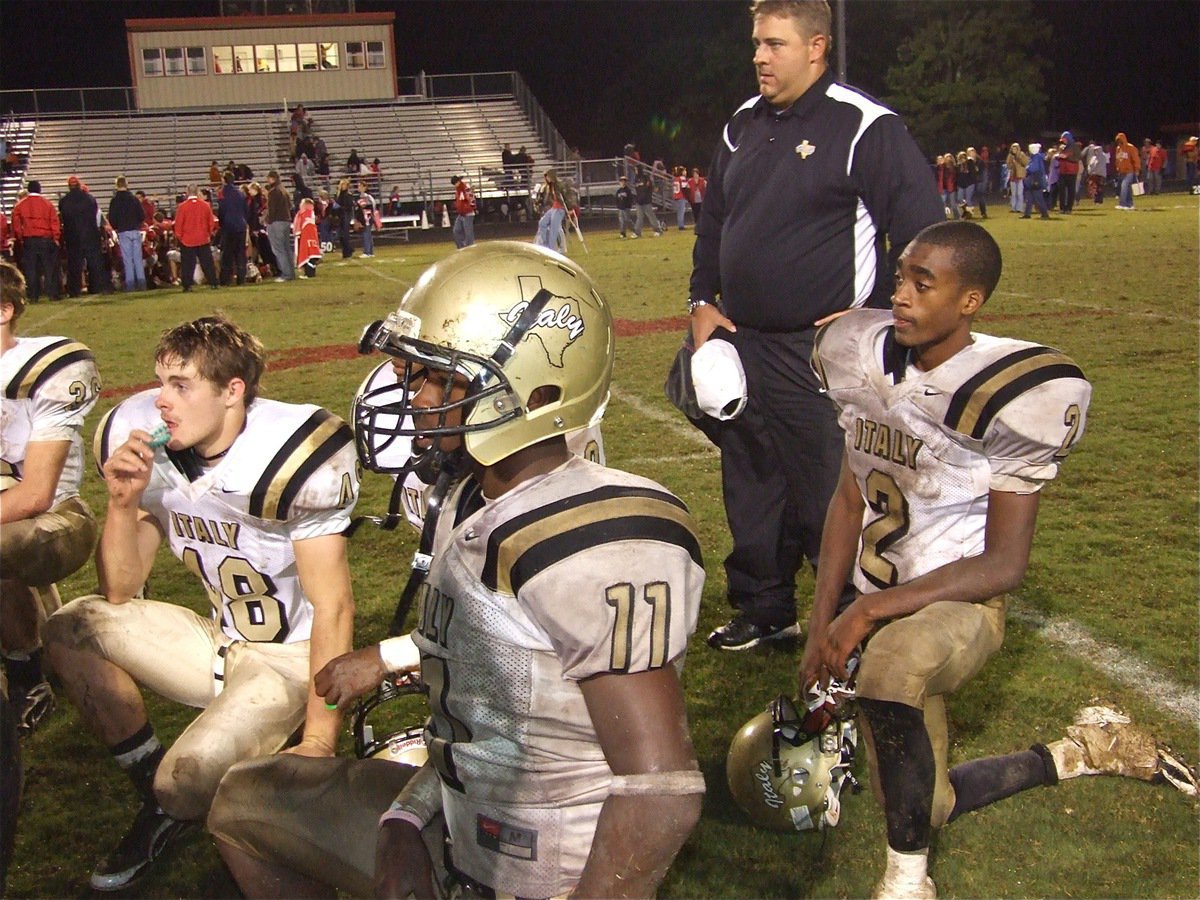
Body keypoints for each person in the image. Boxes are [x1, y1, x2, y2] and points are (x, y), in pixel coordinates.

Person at [208, 242, 705, 900]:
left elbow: (659, 791)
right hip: (458, 818)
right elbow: (467, 706)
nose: (410, 391)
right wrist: (406, 818)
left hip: (546, 871)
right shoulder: (471, 496)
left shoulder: (599, 538)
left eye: (436, 374)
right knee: (245, 801)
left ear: (529, 387)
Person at [800, 220, 1195, 899]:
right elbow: (847, 500)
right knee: (928, 804)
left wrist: (866, 611)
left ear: (970, 302)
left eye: (925, 286)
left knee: (890, 671)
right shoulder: (856, 357)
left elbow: (1005, 564)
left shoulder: (1010, 394)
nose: (902, 296)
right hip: (876, 601)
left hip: (957, 604)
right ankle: (1079, 752)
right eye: (901, 279)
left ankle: (906, 883)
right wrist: (820, 623)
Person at [43, 315, 359, 892]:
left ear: (233, 390)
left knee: (184, 782)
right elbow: (119, 590)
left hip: (290, 656)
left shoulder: (292, 455)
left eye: (181, 385)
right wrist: (120, 505)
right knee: (70, 625)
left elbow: (334, 608)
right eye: (160, 381)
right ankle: (156, 800)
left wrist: (319, 739)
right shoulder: (150, 444)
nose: (160, 401)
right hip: (219, 640)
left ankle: (183, 795)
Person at [688, 0, 943, 650]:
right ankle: (765, 607)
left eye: (774, 43)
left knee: (826, 487)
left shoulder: (864, 126)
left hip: (818, 352)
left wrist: (883, 312)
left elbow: (923, 230)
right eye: (756, 43)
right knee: (751, 482)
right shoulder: (741, 124)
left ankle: (853, 621)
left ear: (816, 48)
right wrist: (701, 299)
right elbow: (714, 220)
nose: (759, 57)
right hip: (741, 341)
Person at [0, 260, 100, 736]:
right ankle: (51, 652)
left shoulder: (44, 368)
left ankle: (26, 675)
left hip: (56, 513)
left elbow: (35, 493)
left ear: (4, 311)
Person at [57, 175, 109, 297]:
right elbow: (95, 214)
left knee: (74, 265)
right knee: (94, 263)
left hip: (73, 236)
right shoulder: (89, 199)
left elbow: (63, 218)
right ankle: (97, 287)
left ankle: (74, 290)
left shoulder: (64, 201)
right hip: (90, 234)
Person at [10, 181, 61, 302]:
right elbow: (54, 221)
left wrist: (20, 236)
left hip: (29, 239)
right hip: (46, 239)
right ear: (40, 189)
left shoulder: (21, 205)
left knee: (31, 268)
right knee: (49, 268)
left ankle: (33, 295)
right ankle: (53, 294)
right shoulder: (47, 204)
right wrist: (56, 237)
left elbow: (16, 222)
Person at [173, 185, 218, 292]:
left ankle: (187, 286)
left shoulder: (182, 207)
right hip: (203, 238)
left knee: (188, 264)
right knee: (207, 262)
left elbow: (178, 224)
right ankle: (213, 282)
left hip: (187, 240)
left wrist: (180, 237)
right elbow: (211, 223)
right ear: (197, 191)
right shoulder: (206, 205)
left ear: (187, 192)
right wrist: (208, 234)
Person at [108, 176, 146, 291]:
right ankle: (142, 284)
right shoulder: (134, 199)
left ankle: (130, 285)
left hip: (123, 231)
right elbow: (141, 215)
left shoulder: (114, 200)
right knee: (138, 259)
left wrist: (117, 226)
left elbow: (112, 218)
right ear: (127, 184)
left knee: (128, 260)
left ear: (116, 185)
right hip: (135, 230)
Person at [217, 172, 248, 286]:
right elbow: (245, 210)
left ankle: (225, 279)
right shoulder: (240, 193)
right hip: (241, 225)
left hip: (228, 226)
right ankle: (241, 278)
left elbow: (222, 210)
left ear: (224, 180)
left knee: (227, 255)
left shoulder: (223, 193)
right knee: (240, 254)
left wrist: (222, 224)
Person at [265, 170, 295, 280]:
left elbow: (272, 209)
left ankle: (286, 274)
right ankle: (291, 273)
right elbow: (290, 206)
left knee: (278, 249)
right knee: (286, 248)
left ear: (272, 178)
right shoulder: (284, 191)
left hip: (276, 222)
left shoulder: (273, 192)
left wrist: (268, 220)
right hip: (286, 221)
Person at [534, 168, 567, 250]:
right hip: (553, 208)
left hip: (559, 209)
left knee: (555, 230)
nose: (546, 178)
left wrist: (568, 208)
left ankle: (554, 249)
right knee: (542, 223)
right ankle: (544, 243)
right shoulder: (548, 186)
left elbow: (564, 197)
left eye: (547, 176)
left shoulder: (558, 185)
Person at [292, 196, 321, 278]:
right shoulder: (310, 212)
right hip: (312, 237)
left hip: (305, 237)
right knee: (311, 255)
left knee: (307, 255)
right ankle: (310, 273)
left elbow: (300, 226)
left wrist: (297, 233)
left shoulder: (303, 213)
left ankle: (309, 273)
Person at [1021, 143, 1049, 219]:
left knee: (1038, 198)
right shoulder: (1035, 157)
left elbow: (1034, 168)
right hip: (1033, 179)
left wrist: (1027, 168)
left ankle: (1044, 213)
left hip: (1035, 179)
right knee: (1029, 198)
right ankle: (1027, 213)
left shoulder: (1036, 158)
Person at [632, 170, 663, 238]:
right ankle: (637, 232)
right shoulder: (636, 179)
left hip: (646, 202)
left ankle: (658, 230)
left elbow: (650, 188)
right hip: (639, 202)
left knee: (651, 217)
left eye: (637, 169)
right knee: (639, 218)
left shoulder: (646, 178)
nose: (636, 171)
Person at [1113, 132, 1141, 210]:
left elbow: (1136, 159)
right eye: (1117, 140)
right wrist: (1117, 168)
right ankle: (1130, 204)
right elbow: (1118, 160)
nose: (1119, 142)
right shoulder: (1118, 149)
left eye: (1120, 140)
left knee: (1124, 186)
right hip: (1121, 172)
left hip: (1129, 171)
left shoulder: (1130, 147)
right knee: (1127, 188)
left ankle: (1123, 204)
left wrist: (1137, 169)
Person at [450, 174, 476, 248]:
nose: (455, 185)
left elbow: (471, 198)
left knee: (468, 233)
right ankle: (461, 247)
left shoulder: (465, 188)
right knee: (456, 231)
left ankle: (470, 248)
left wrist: (470, 208)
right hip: (461, 213)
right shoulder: (459, 190)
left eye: (455, 183)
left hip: (468, 213)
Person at [357, 180, 378, 258]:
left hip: (367, 217)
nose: (358, 187)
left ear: (364, 187)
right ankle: (371, 251)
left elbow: (368, 206)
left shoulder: (365, 196)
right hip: (368, 216)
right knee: (368, 234)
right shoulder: (367, 196)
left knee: (366, 233)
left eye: (360, 186)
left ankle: (367, 252)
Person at [1005, 142, 1028, 213]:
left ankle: (1019, 208)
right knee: (1013, 193)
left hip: (1020, 176)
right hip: (1013, 176)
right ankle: (1013, 207)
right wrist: (1011, 163)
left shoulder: (1022, 154)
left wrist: (1018, 159)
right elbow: (1008, 165)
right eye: (1013, 148)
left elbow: (1025, 163)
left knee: (1019, 193)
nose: (1014, 150)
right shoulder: (1010, 156)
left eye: (1015, 148)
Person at [615, 173, 635, 238]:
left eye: (624, 181)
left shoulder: (628, 190)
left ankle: (635, 230)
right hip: (620, 208)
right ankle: (622, 233)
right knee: (621, 221)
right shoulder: (618, 191)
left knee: (627, 220)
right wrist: (618, 206)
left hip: (626, 208)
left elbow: (630, 199)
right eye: (621, 181)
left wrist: (629, 205)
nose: (622, 182)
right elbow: (616, 199)